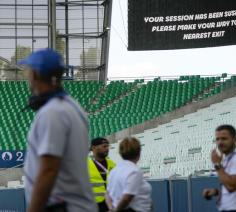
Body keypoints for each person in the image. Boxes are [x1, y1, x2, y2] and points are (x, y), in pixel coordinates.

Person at [20, 48, 96, 212]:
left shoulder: (52, 112)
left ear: (36, 75)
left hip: (63, 207)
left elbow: (49, 169)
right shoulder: (72, 106)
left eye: (29, 72)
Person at [202, 124, 236, 212]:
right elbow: (232, 190)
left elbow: (231, 186)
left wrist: (217, 164)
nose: (220, 142)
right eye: (217, 139)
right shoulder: (227, 159)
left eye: (224, 138)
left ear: (235, 139)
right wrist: (216, 192)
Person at [106, 137, 152, 212]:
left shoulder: (114, 170)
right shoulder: (134, 171)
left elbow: (107, 194)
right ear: (139, 153)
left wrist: (111, 208)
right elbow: (127, 198)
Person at [89, 137, 116, 212]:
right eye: (104, 146)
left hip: (111, 204)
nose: (107, 148)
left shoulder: (113, 164)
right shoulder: (85, 165)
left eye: (108, 146)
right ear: (94, 147)